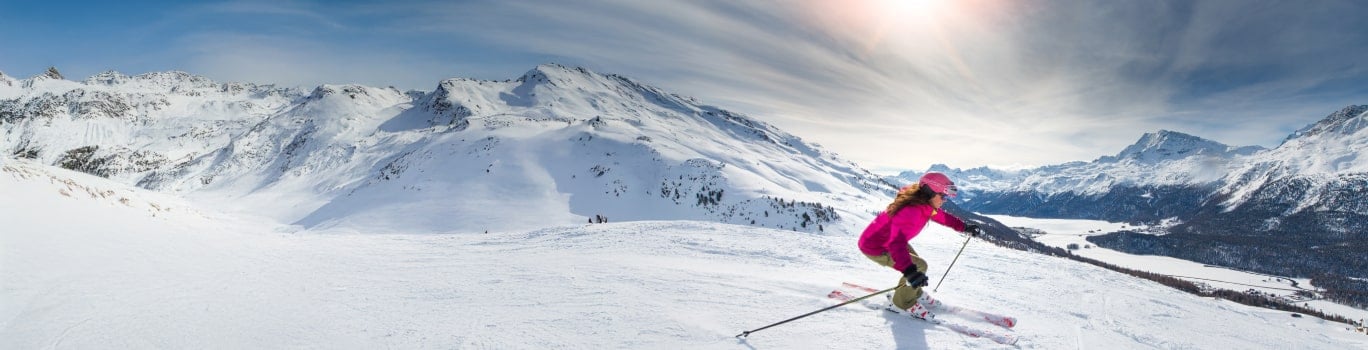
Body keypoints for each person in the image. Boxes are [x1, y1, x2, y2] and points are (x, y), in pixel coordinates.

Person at [857, 172, 980, 319]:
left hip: (888, 240)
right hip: (875, 246)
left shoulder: (923, 204)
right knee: (918, 267)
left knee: (916, 266)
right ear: (930, 192)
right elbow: (896, 244)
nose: (945, 200)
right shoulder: (911, 211)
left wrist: (964, 227)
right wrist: (910, 271)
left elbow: (943, 217)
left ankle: (914, 292)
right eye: (943, 196)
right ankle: (902, 303)